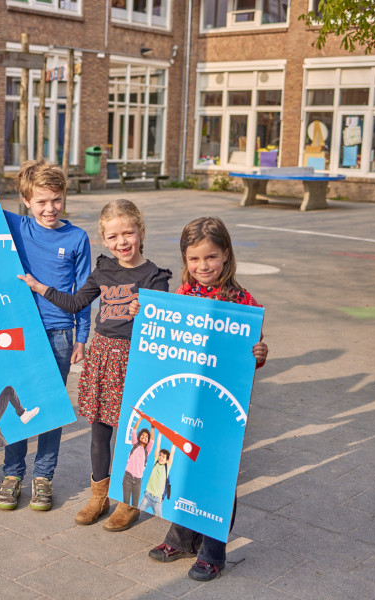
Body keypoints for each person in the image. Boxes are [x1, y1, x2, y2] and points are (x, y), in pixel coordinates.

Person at [0, 132, 92, 512]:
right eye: (42, 201)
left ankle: (43, 477)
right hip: (20, 333)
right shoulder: (16, 227)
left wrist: (82, 335)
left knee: (48, 408)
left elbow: (83, 292)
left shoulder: (78, 238)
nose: (50, 208)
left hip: (61, 334)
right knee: (17, 405)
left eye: (57, 200)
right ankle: (12, 473)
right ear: (27, 202)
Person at [19, 199, 172, 531]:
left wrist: (146, 313)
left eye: (128, 233)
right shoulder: (104, 269)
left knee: (135, 437)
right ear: (105, 240)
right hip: (103, 357)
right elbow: (75, 302)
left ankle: (128, 502)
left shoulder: (154, 276)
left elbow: (165, 321)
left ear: (141, 232)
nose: (122, 242)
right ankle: (98, 496)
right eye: (114, 236)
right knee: (99, 434)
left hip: (136, 360)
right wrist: (39, 286)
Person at [132, 216, 268, 582]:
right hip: (184, 403)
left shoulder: (242, 302)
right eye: (194, 259)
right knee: (179, 466)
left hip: (221, 410)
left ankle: (213, 551)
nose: (202, 266)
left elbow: (246, 362)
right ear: (184, 260)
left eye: (210, 257)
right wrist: (145, 317)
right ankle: (180, 537)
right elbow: (163, 345)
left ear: (226, 254)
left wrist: (258, 353)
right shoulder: (182, 298)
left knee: (217, 475)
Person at [137, 434, 175, 518]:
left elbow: (172, 453)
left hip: (157, 500)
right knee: (136, 513)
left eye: (163, 457)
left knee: (159, 520)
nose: (161, 457)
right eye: (160, 455)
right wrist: (160, 434)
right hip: (147, 496)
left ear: (167, 460)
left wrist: (175, 441)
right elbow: (158, 445)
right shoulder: (156, 462)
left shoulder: (167, 467)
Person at [122, 417, 154, 508]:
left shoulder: (147, 451)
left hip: (138, 481)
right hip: (127, 478)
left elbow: (152, 441)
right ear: (139, 436)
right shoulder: (135, 444)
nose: (144, 437)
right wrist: (140, 418)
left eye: (146, 436)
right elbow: (133, 431)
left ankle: (132, 517)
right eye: (143, 435)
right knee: (125, 503)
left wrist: (152, 428)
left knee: (135, 505)